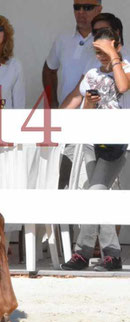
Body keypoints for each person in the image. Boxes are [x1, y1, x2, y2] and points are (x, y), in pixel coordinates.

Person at [59, 27, 129, 271]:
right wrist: (88, 103)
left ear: (116, 46)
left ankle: (85, 253)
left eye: (104, 50)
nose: (100, 56)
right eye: (97, 51)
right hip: (92, 141)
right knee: (96, 193)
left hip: (118, 142)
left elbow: (122, 88)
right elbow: (84, 115)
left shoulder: (126, 67)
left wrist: (113, 56)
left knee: (95, 191)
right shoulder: (90, 74)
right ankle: (106, 254)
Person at [42, 0, 103, 109]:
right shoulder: (63, 39)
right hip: (66, 112)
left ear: (99, 9)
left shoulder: (105, 40)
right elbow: (49, 70)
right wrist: (52, 102)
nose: (81, 12)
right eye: (77, 7)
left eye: (87, 7)